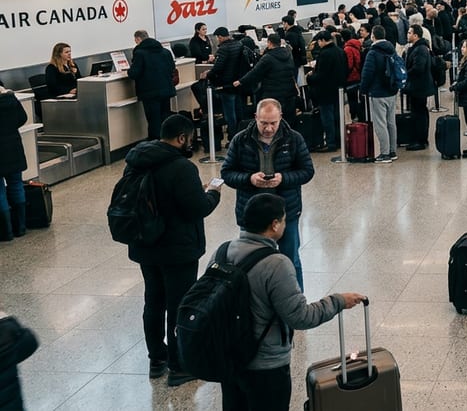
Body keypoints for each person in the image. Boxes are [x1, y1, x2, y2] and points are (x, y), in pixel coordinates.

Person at [217, 193, 366, 411]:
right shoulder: (276, 264)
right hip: (266, 365)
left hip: (229, 359)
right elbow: (301, 317)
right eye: (284, 220)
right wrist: (338, 301)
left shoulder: (222, 252)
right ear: (274, 225)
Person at [121, 114, 222, 386]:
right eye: (189, 138)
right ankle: (179, 365)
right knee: (179, 305)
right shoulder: (182, 168)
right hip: (177, 250)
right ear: (181, 138)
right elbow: (197, 208)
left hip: (145, 245)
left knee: (153, 301)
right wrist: (213, 193)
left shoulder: (136, 161)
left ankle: (157, 359)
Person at [221, 99, 315, 291]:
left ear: (281, 118)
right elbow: (227, 173)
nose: (269, 128)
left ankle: (296, 302)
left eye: (273, 123)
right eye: (264, 123)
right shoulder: (240, 140)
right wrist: (249, 179)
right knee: (249, 261)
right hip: (251, 212)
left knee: (291, 260)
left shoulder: (294, 139)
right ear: (256, 118)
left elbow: (307, 171)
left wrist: (284, 178)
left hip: (285, 211)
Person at [360, 25, 400, 163]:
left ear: (373, 36)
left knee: (380, 123)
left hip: (377, 92)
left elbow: (367, 73)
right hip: (392, 90)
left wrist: (363, 89)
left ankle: (384, 153)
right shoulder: (391, 50)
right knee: (391, 122)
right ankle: (393, 150)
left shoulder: (373, 53)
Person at [234, 34, 298, 120]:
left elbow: (255, 72)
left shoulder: (268, 57)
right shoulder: (288, 54)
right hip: (289, 92)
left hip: (273, 92)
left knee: (273, 118)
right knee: (287, 119)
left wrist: (240, 81)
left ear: (269, 43)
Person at [305, 31, 348, 153]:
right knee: (337, 116)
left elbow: (321, 75)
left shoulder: (324, 54)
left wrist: (310, 78)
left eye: (319, 41)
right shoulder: (340, 51)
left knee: (327, 118)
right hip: (338, 90)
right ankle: (339, 141)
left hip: (325, 91)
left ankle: (330, 143)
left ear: (323, 40)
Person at [130, 30, 176, 141]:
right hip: (166, 89)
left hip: (149, 92)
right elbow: (172, 69)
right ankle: (167, 141)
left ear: (138, 39)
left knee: (153, 120)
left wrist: (128, 71)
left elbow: (134, 73)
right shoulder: (165, 51)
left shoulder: (139, 53)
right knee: (165, 118)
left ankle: (155, 144)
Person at [209, 27, 253, 144]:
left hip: (226, 84)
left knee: (229, 114)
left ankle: (233, 138)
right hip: (237, 83)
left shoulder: (223, 49)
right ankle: (241, 135)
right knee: (239, 111)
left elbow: (218, 67)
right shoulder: (238, 44)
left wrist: (208, 75)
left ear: (220, 37)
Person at [0, 86, 27, 241]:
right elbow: (22, 118)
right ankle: (21, 227)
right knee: (16, 184)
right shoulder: (10, 98)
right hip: (14, 147)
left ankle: (6, 232)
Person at [403, 25, 434, 151]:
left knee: (418, 113)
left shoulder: (420, 49)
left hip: (419, 87)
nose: (407, 34)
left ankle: (420, 140)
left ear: (416, 35)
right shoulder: (420, 48)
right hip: (419, 86)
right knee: (420, 111)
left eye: (410, 32)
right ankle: (421, 138)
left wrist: (405, 73)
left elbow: (418, 68)